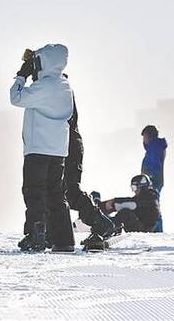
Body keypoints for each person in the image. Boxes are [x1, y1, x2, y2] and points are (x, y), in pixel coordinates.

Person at [10, 45, 75, 252]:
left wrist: (21, 76)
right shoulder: (65, 86)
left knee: (34, 193)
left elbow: (16, 98)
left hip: (38, 149)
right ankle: (64, 240)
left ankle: (36, 236)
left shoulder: (45, 87)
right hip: (58, 151)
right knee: (57, 195)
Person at [57, 82, 114, 250]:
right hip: (60, 144)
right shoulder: (56, 87)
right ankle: (54, 231)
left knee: (69, 190)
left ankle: (101, 223)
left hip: (68, 145)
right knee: (57, 191)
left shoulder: (60, 88)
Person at [141, 125, 167, 232]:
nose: (143, 140)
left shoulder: (154, 147)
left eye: (144, 137)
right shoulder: (156, 146)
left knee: (153, 206)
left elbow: (155, 165)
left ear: (149, 136)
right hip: (155, 181)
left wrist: (148, 179)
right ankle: (157, 229)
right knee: (154, 205)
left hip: (153, 182)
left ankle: (157, 230)